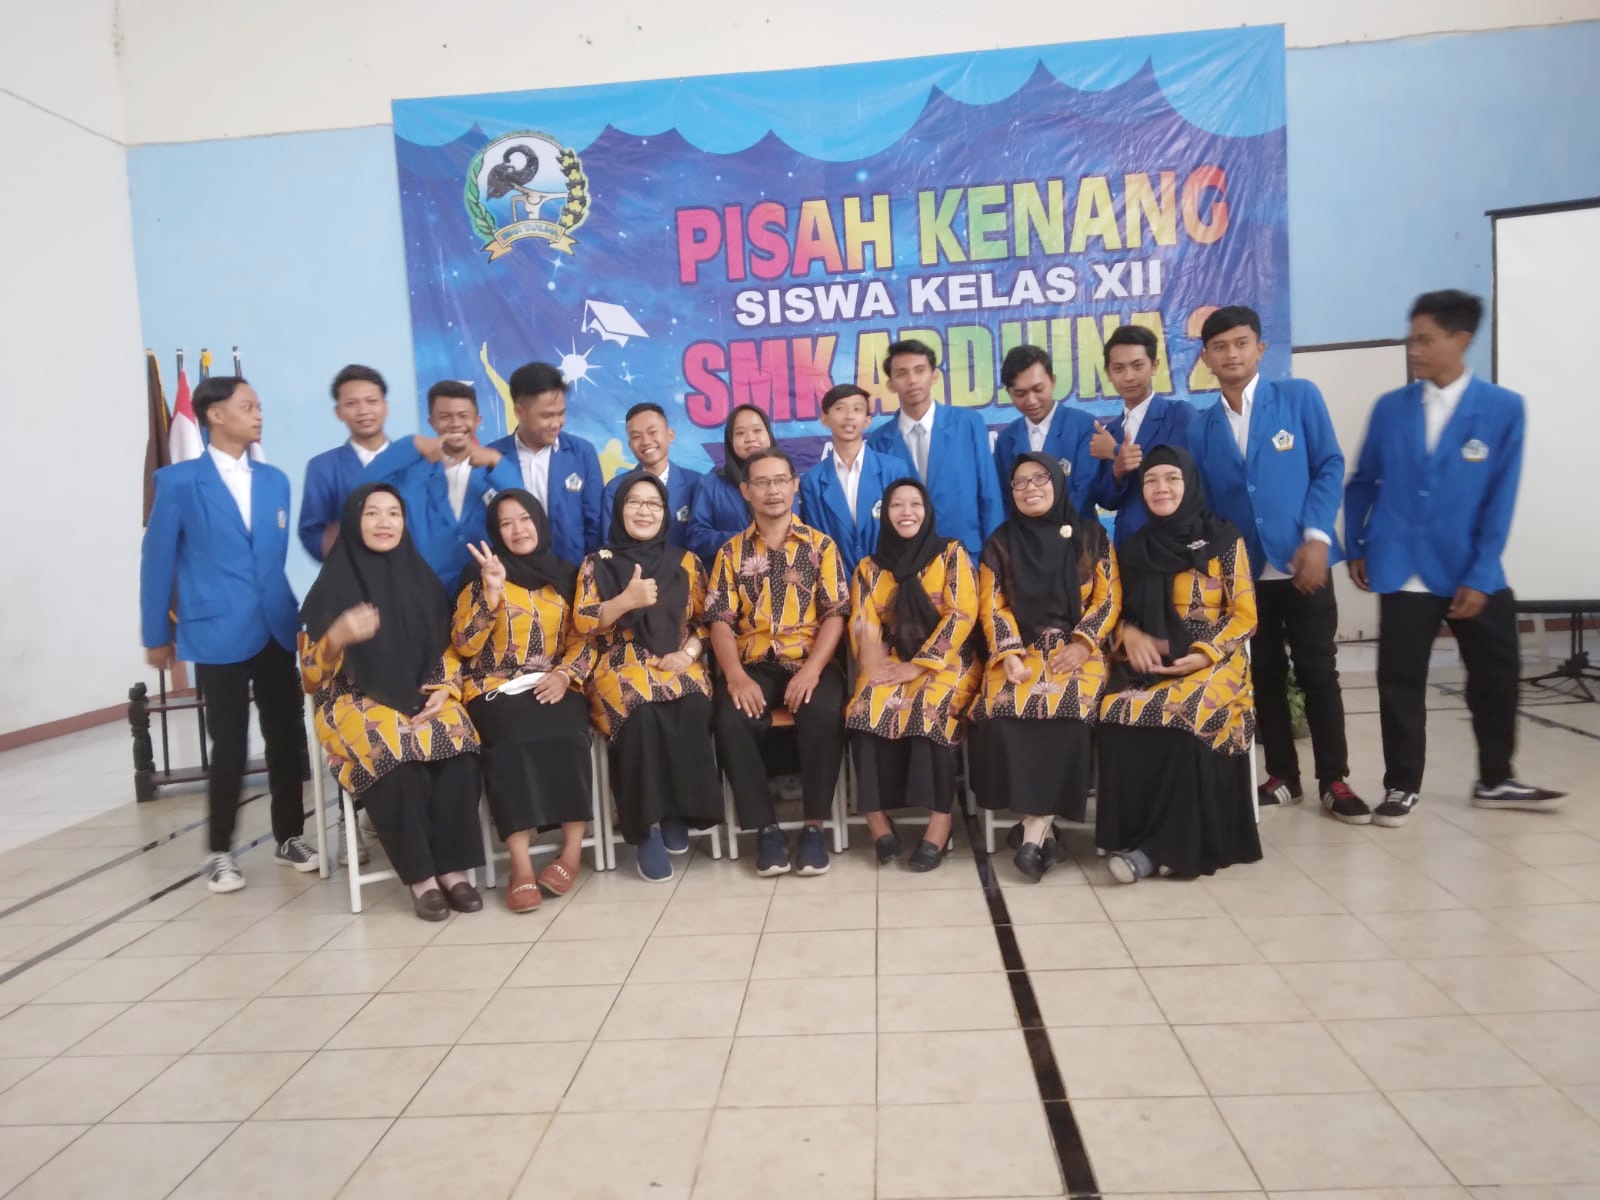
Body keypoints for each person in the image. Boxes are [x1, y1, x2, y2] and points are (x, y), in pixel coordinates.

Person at [1345, 289, 1565, 825]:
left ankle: (1495, 778)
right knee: (1399, 680)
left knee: (1496, 674)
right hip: (1402, 565)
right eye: (1411, 339)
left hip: (1471, 567)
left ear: (1461, 340)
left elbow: (1500, 497)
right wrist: (1356, 544)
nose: (1413, 349)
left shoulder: (1503, 409)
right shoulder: (1391, 408)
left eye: (1425, 339)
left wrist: (1483, 572)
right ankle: (1401, 786)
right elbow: (1363, 481)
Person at [1187, 305, 1367, 822]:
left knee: (1318, 670)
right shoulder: (1201, 427)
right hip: (1244, 575)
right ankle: (1283, 775)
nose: (1232, 354)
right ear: (1206, 359)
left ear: (1260, 348)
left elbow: (1329, 465)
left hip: (1302, 563)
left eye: (1241, 343)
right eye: (1220, 347)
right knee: (1262, 674)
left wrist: (1316, 536)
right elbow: (1205, 506)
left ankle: (1334, 779)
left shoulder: (1298, 397)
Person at [141, 376, 316, 893]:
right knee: (230, 744)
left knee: (286, 737)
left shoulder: (275, 481)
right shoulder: (178, 482)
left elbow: (270, 561)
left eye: (259, 406)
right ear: (215, 415)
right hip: (216, 631)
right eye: (248, 406)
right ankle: (220, 850)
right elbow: (156, 563)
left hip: (275, 628)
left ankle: (290, 836)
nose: (258, 414)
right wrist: (156, 634)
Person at [299, 483, 484, 921]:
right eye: (372, 514)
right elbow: (309, 678)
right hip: (351, 699)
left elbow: (447, 649)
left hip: (422, 692)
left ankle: (453, 869)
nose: (385, 522)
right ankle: (422, 878)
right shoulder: (330, 589)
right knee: (395, 753)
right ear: (354, 522)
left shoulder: (422, 580)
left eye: (394, 514)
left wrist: (444, 688)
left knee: (460, 744)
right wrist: (336, 637)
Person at [1096, 446, 1261, 883]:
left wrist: (1205, 653)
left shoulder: (1224, 540)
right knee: (1114, 710)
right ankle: (1133, 837)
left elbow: (1245, 615)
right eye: (1150, 480)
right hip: (1152, 662)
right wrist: (1128, 634)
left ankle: (1161, 850)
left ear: (1190, 483)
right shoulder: (1135, 548)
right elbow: (1116, 612)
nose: (1161, 488)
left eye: (1171, 478)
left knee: (1183, 712)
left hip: (1215, 661)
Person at [970, 454, 1122, 881]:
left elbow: (1108, 598)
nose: (1030, 488)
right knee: (1001, 712)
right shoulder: (1000, 542)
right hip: (1020, 650)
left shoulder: (1091, 536)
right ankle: (1044, 834)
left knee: (1069, 711)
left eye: (1040, 479)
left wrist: (1083, 643)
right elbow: (992, 605)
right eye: (1020, 483)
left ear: (1057, 481)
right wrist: (1009, 653)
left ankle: (1033, 829)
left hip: (1078, 649)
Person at [706, 447, 850, 877]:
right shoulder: (730, 553)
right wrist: (734, 676)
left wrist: (812, 671)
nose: (773, 490)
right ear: (746, 491)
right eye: (762, 482)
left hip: (810, 660)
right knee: (731, 716)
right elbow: (719, 621)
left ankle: (813, 828)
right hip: (754, 664)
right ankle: (765, 830)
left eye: (780, 480)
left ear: (795, 485)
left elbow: (836, 614)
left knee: (823, 711)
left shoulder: (821, 547)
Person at [574, 471, 723, 882]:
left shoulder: (685, 561)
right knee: (641, 712)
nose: (645, 511)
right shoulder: (597, 563)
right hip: (618, 663)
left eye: (654, 504)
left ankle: (678, 810)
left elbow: (708, 621)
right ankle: (647, 829)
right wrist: (624, 601)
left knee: (691, 704)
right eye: (634, 502)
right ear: (619, 509)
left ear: (666, 512)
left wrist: (688, 653)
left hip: (677, 657)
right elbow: (583, 624)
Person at [453, 490, 597, 911]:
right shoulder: (480, 574)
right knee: (511, 742)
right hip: (493, 687)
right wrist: (491, 592)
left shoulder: (567, 574)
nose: (518, 530)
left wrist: (565, 675)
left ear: (540, 521)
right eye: (506, 523)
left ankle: (571, 851)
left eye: (525, 519)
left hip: (554, 681)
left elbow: (586, 639)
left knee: (569, 734)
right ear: (495, 532)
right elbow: (463, 645)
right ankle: (520, 864)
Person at [846, 478, 981, 871]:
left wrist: (919, 665)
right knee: (866, 706)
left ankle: (940, 822)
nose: (906, 512)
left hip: (948, 661)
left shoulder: (951, 554)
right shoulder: (869, 569)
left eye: (915, 504)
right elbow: (863, 622)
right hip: (892, 660)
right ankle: (877, 822)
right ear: (884, 514)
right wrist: (873, 656)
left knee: (927, 706)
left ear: (927, 511)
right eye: (896, 505)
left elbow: (962, 615)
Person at [357, 380, 522, 585]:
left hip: (484, 586)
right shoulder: (410, 473)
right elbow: (358, 492)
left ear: (478, 420)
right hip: (420, 587)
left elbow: (525, 510)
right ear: (431, 422)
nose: (455, 423)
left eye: (463, 415)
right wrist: (411, 445)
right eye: (445, 417)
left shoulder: (497, 469)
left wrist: (496, 462)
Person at [866, 340, 1006, 556]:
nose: (912, 380)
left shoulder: (968, 424)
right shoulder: (879, 442)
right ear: (891, 384)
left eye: (919, 370)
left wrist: (995, 556)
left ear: (934, 376)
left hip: (967, 554)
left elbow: (989, 494)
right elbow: (880, 512)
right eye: (902, 373)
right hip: (906, 559)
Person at [487, 362, 605, 565]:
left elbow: (596, 524)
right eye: (547, 415)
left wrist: (591, 573)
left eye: (561, 413)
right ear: (519, 412)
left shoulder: (582, 453)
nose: (557, 423)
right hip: (512, 577)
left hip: (573, 574)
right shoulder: (492, 458)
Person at [1088, 325, 1194, 544]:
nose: (1128, 377)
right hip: (1130, 545)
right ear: (1108, 373)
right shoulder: (1111, 431)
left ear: (1154, 366)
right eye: (1118, 368)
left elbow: (1184, 475)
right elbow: (1107, 501)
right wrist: (1117, 469)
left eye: (1137, 366)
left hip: (1177, 541)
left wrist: (1116, 451)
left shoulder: (1180, 415)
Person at [800, 383, 917, 570]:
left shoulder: (894, 470)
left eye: (857, 409)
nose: (849, 416)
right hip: (837, 581)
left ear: (867, 420)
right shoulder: (812, 481)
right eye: (840, 409)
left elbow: (908, 529)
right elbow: (816, 540)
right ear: (825, 419)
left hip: (890, 577)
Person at [299, 363, 392, 563]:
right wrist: (338, 546)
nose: (363, 411)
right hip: (351, 573)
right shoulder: (322, 467)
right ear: (338, 412)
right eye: (351, 404)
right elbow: (312, 532)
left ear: (385, 407)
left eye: (371, 401)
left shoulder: (414, 462)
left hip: (410, 574)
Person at [991, 345, 1098, 514]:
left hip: (1076, 528)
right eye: (1020, 393)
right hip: (1023, 530)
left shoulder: (1084, 426)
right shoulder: (1006, 439)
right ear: (1009, 392)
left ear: (1053, 381)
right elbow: (1006, 499)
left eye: (1038, 389)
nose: (1031, 401)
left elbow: (1085, 492)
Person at [687, 402, 787, 563]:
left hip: (787, 573)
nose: (750, 439)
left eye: (757, 430)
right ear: (730, 440)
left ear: (768, 434)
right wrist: (747, 540)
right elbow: (696, 538)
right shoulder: (710, 484)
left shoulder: (787, 482)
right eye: (740, 433)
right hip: (730, 575)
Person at [600, 402, 703, 550]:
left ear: (670, 435)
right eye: (636, 436)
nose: (646, 441)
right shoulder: (615, 488)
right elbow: (609, 544)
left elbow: (700, 538)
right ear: (630, 445)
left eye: (652, 432)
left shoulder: (696, 483)